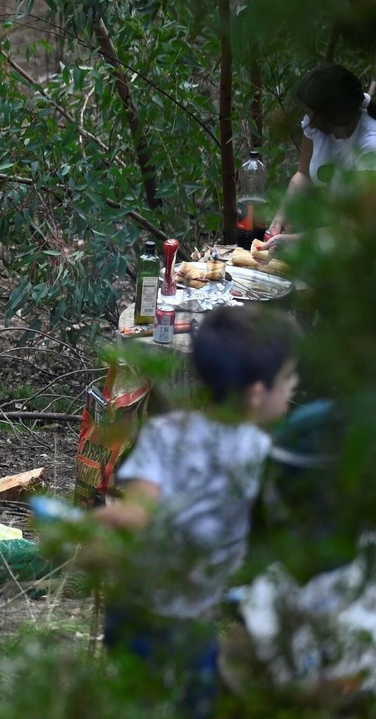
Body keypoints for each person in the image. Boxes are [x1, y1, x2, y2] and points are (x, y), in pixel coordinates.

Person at [94, 307, 300, 716]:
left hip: (131, 612)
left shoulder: (165, 433)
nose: (294, 388)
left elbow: (136, 511)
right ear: (258, 393)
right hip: (186, 625)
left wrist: (88, 528)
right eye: (289, 380)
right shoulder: (259, 455)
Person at [265, 63, 376, 253]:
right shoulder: (316, 125)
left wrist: (293, 241)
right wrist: (284, 212)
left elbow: (359, 228)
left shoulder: (369, 147)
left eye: (311, 115)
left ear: (333, 115)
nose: (307, 121)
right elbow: (304, 174)